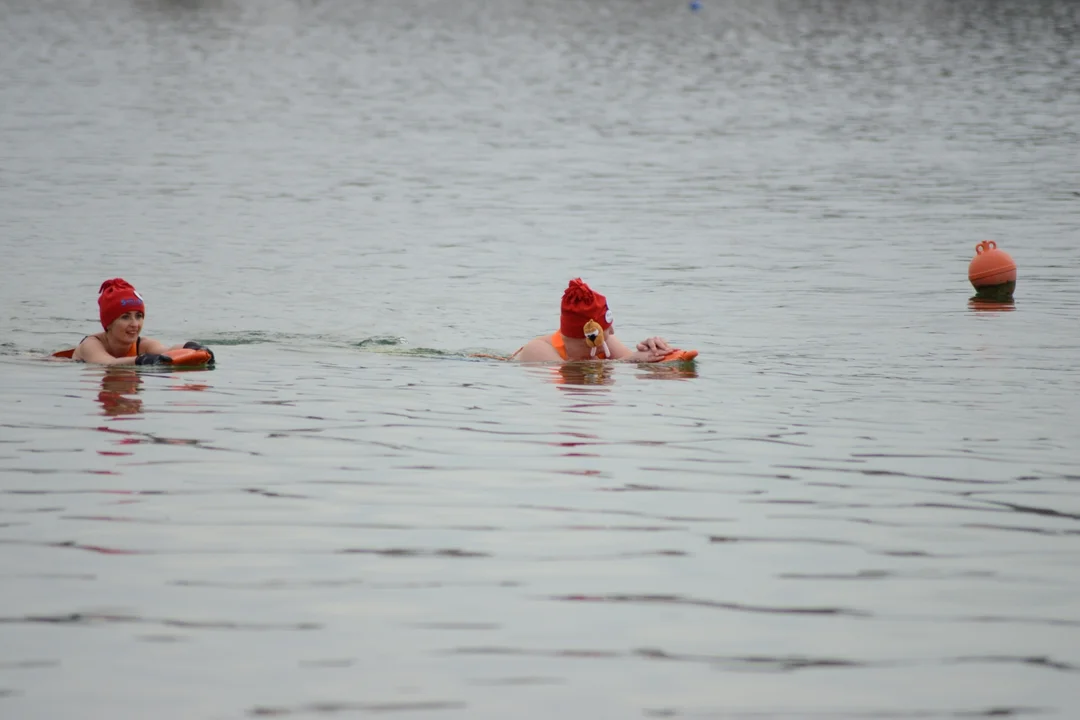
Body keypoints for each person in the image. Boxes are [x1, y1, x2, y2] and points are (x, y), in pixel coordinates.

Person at [512, 278, 674, 363]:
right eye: (606, 327)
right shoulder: (536, 349)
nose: (612, 331)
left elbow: (633, 359)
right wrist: (630, 361)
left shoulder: (604, 343)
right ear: (591, 332)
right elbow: (568, 371)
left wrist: (650, 350)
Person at [67, 278, 215, 366]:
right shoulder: (90, 345)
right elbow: (108, 363)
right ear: (109, 323)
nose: (135, 324)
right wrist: (141, 360)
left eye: (139, 316)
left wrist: (194, 348)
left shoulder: (142, 345)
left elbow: (167, 351)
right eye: (125, 317)